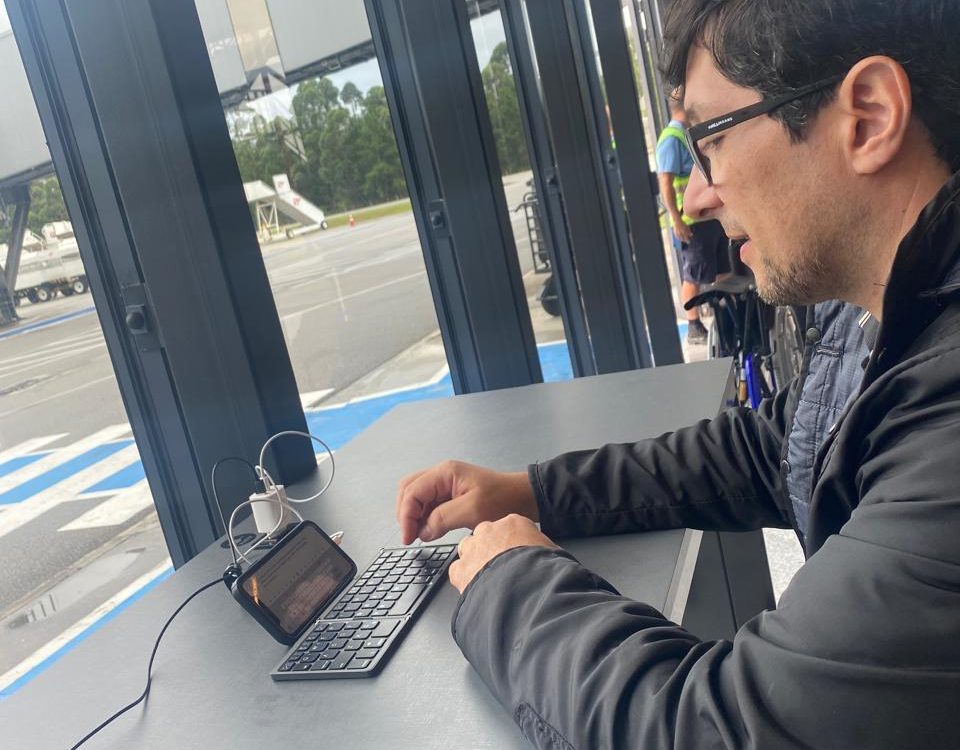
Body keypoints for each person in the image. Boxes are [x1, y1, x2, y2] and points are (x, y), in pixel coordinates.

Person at [396, 1, 960, 747]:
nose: (695, 196)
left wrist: (511, 581)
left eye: (712, 139)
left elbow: (711, 731)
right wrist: (532, 491)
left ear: (869, 117)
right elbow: (773, 447)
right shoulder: (888, 307)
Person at [656, 93, 730, 344]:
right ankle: (694, 326)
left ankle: (726, 318)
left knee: (721, 270)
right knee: (694, 274)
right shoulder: (671, 139)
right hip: (691, 223)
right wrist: (676, 220)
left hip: (709, 219)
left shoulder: (688, 134)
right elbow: (665, 183)